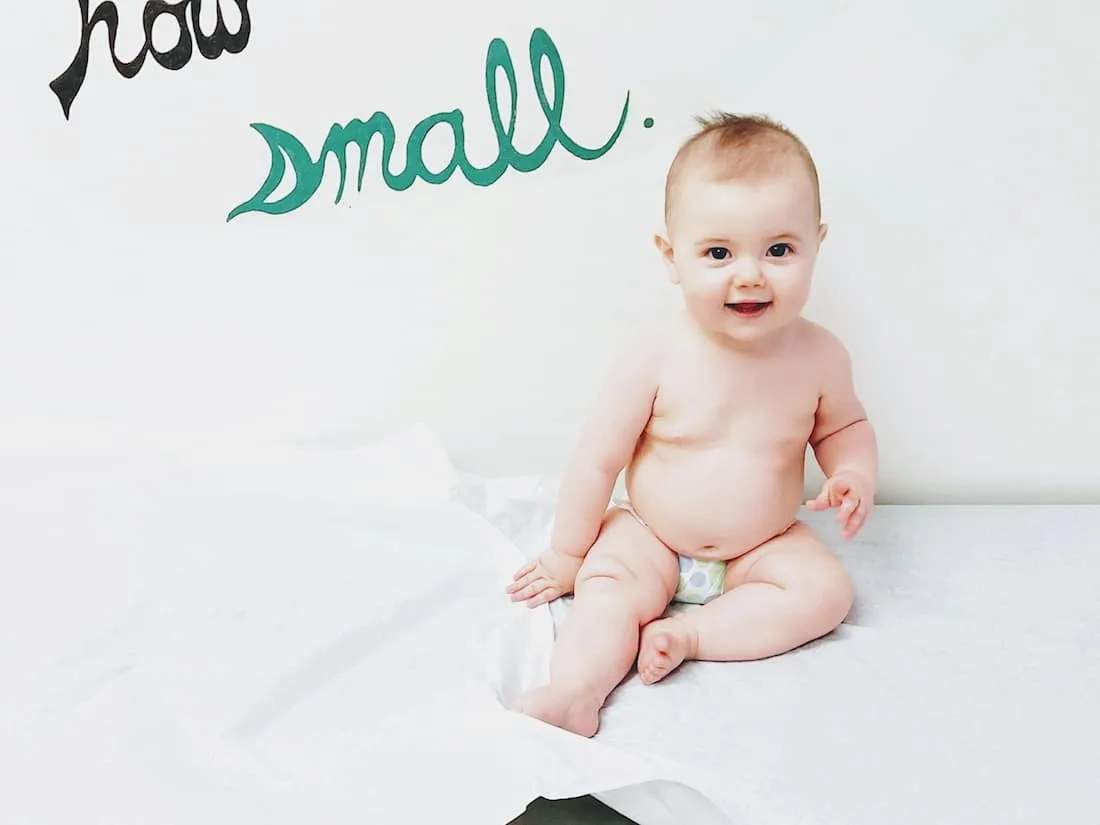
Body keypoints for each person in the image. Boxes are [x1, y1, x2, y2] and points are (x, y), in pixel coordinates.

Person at [506, 112, 877, 738]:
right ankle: (576, 690)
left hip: (760, 547)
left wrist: (854, 471)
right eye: (718, 253)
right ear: (671, 256)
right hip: (651, 536)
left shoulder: (820, 356)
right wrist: (569, 553)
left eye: (779, 250)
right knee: (607, 589)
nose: (750, 273)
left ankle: (690, 635)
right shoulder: (655, 355)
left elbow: (844, 426)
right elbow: (598, 460)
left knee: (826, 591)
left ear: (817, 243)